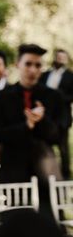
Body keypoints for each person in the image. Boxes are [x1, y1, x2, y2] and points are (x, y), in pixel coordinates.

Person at [0, 44, 64, 213]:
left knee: (49, 223)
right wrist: (26, 126)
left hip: (45, 172)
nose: (33, 70)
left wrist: (42, 120)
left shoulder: (54, 96)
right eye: (28, 64)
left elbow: (58, 136)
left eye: (38, 65)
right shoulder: (2, 96)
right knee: (17, 224)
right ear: (18, 64)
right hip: (13, 172)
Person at [40, 49, 73, 179]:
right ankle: (49, 177)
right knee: (45, 148)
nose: (60, 60)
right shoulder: (45, 74)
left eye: (63, 58)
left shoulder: (70, 76)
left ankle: (66, 179)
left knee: (63, 149)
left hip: (62, 118)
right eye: (59, 57)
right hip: (47, 117)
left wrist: (59, 97)